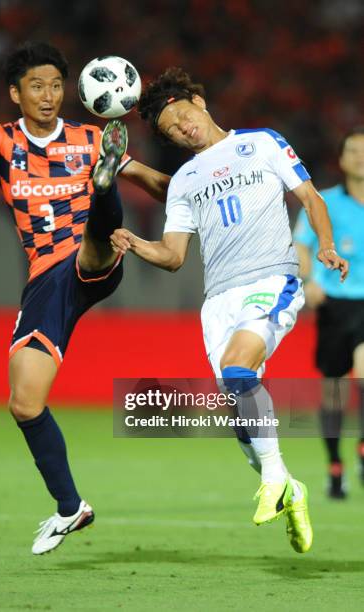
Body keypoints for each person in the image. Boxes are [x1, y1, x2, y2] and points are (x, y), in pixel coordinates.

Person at [0, 41, 170, 555]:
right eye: (37, 86)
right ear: (15, 93)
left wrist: (189, 185)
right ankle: (71, 508)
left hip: (93, 261)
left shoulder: (90, 137)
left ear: (70, 91)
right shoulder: (1, 140)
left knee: (93, 241)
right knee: (24, 402)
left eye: (57, 86)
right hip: (45, 281)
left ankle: (103, 190)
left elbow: (154, 182)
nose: (48, 95)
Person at [111, 67, 349, 554]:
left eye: (180, 114)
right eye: (170, 130)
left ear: (197, 101)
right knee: (243, 422)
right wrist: (136, 244)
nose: (181, 128)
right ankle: (288, 486)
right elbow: (174, 256)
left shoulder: (262, 142)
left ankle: (277, 481)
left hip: (271, 280)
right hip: (217, 301)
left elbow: (309, 196)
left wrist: (324, 245)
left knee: (238, 368)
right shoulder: (183, 182)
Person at [294, 126, 364, 499]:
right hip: (334, 304)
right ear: (341, 160)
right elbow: (301, 244)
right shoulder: (326, 203)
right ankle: (335, 466)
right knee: (334, 392)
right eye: (353, 151)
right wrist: (309, 280)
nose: (360, 157)